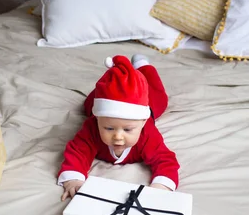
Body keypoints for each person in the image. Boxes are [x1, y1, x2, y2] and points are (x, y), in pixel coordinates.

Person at [58, 54, 180, 201]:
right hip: (103, 106)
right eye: (109, 128)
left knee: (159, 98)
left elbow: (165, 160)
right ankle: (116, 77)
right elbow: (77, 152)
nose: (118, 136)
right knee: (88, 104)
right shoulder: (92, 128)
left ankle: (142, 66)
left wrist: (161, 186)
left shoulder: (147, 134)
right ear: (97, 120)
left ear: (143, 122)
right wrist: (73, 179)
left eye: (127, 130)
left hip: (143, 100)